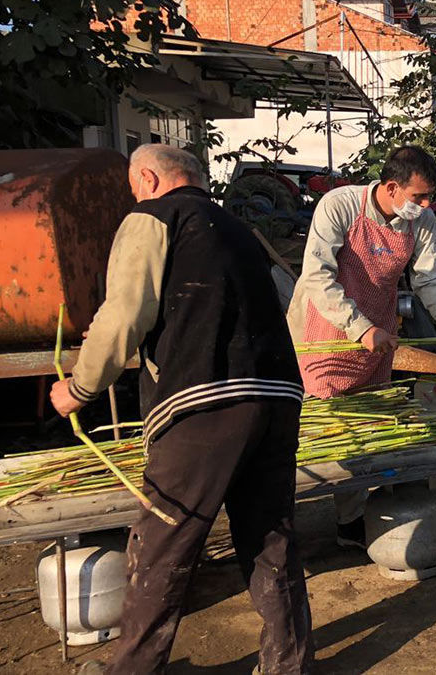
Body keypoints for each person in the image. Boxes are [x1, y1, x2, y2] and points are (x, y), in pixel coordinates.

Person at [50, 144, 314, 674]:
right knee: (270, 538)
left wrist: (79, 388)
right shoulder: (239, 229)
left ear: (147, 178)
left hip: (204, 405)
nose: (134, 197)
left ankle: (133, 670)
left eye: (133, 188)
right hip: (278, 396)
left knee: (161, 548)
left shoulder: (151, 217)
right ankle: (289, 665)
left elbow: (125, 313)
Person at [287, 145, 436, 549]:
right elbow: (318, 278)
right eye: (419, 197)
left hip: (380, 329)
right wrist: (359, 328)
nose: (426, 205)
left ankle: (371, 507)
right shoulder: (339, 206)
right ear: (392, 187)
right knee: (335, 425)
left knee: (373, 417)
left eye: (429, 197)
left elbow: (433, 277)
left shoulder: (420, 221)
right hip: (327, 327)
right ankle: (346, 520)